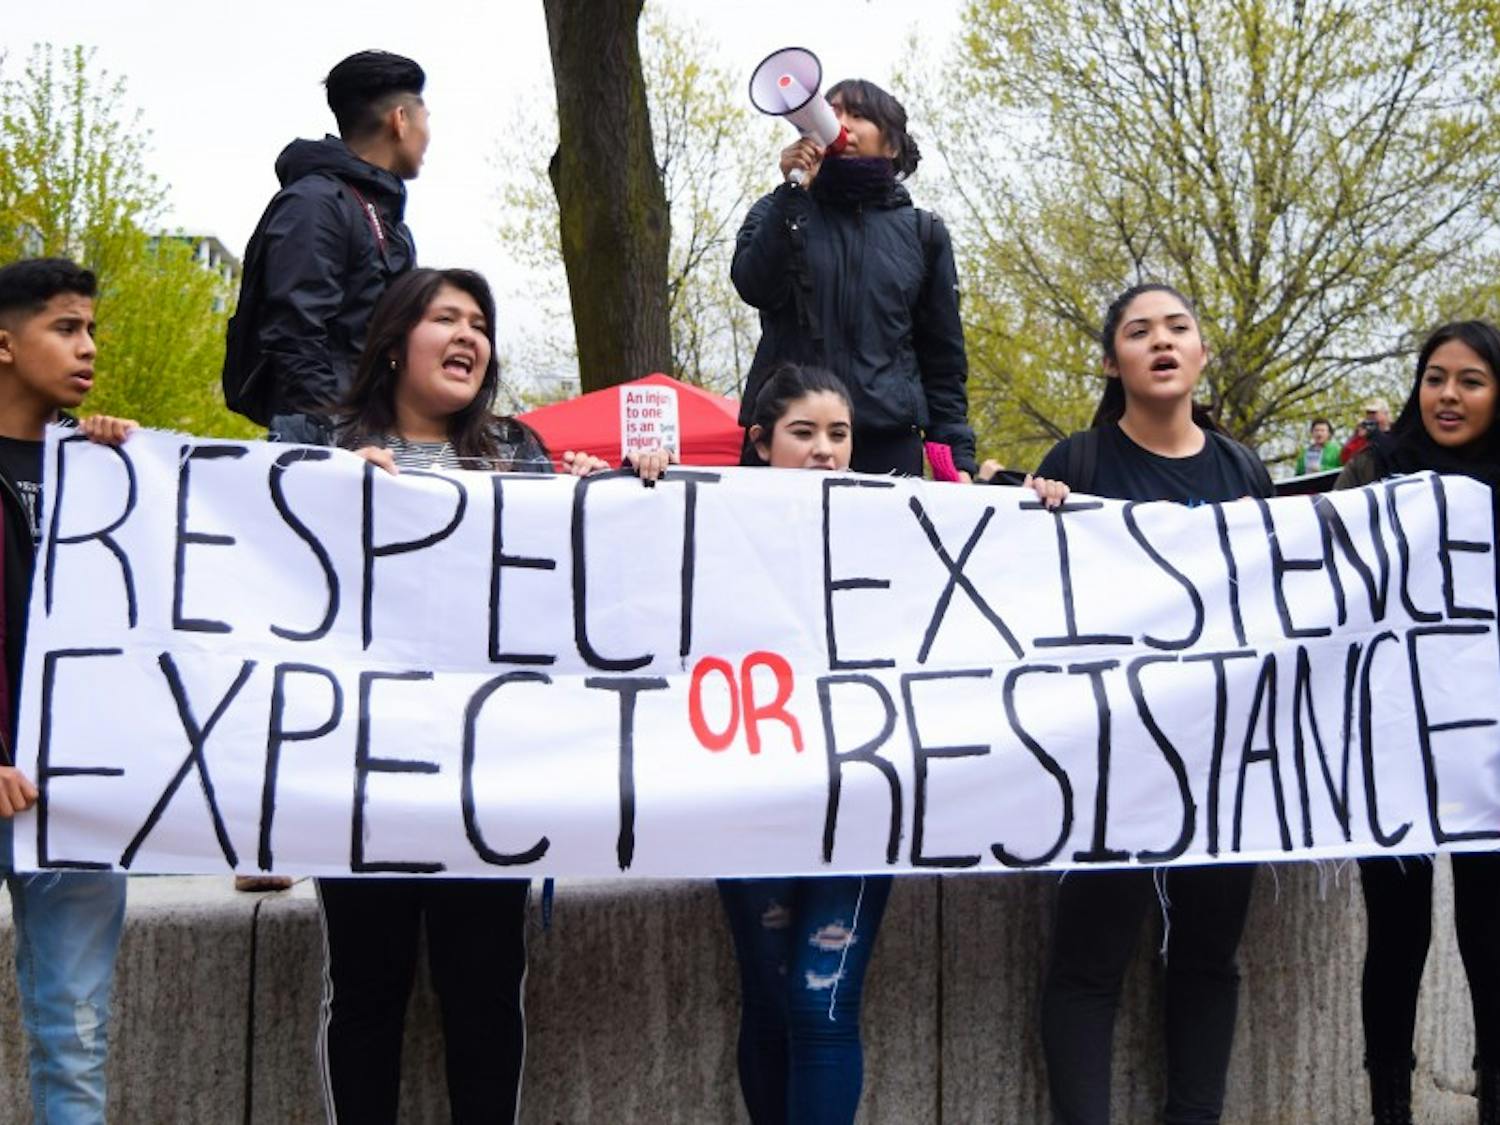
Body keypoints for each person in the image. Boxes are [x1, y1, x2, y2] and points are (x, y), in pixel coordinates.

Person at [291, 266, 667, 1125]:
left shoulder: (521, 455)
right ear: (394, 343)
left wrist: (625, 490)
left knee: (487, 994)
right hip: (364, 774)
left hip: (486, 779)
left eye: (481, 324)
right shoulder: (320, 446)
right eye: (446, 318)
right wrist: (331, 494)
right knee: (364, 994)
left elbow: (584, 589)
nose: (469, 336)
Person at [1030, 283, 1272, 1125]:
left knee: (1209, 956)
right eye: (1139, 333)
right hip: (1111, 761)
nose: (1162, 342)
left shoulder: (1244, 470)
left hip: (1222, 757)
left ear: (1201, 352)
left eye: (1178, 327)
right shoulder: (1078, 464)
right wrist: (1037, 519)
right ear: (1112, 361)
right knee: (1088, 962)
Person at [718, 362, 891, 1124]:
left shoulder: (893, 524)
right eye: (804, 432)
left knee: (820, 1005)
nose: (825, 448)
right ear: (760, 443)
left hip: (857, 795)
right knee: (770, 1000)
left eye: (840, 434)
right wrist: (635, 478)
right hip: (748, 792)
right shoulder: (708, 523)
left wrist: (1042, 503)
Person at [1336, 321, 1500, 1125]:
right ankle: (1389, 1106)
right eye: (1436, 377)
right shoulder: (1374, 475)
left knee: (1493, 936)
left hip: (1491, 750)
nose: (1448, 395)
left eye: (1471, 380)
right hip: (1393, 744)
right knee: (1396, 937)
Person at [0, 257, 139, 1123]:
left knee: (75, 1037)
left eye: (90, 328)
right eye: (65, 327)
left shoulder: (108, 468)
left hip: (72, 791)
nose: (87, 347)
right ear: (4, 344)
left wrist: (134, 469)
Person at [731, 80, 976, 479]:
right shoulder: (780, 209)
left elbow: (943, 359)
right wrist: (792, 192)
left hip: (885, 443)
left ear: (892, 145)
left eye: (858, 115)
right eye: (830, 112)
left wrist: (956, 455)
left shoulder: (923, 233)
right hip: (787, 436)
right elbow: (754, 285)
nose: (839, 122)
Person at [226, 49, 426, 433]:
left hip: (371, 431)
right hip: (330, 442)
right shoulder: (317, 204)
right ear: (400, 120)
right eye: (426, 118)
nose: (428, 135)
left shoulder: (385, 221)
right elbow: (294, 335)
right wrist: (338, 435)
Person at [1340, 398, 1393, 464]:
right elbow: (1345, 459)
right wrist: (1360, 438)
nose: (1370, 416)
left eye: (1374, 413)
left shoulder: (1396, 432)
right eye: (1368, 413)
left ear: (1385, 413)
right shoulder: (1362, 434)